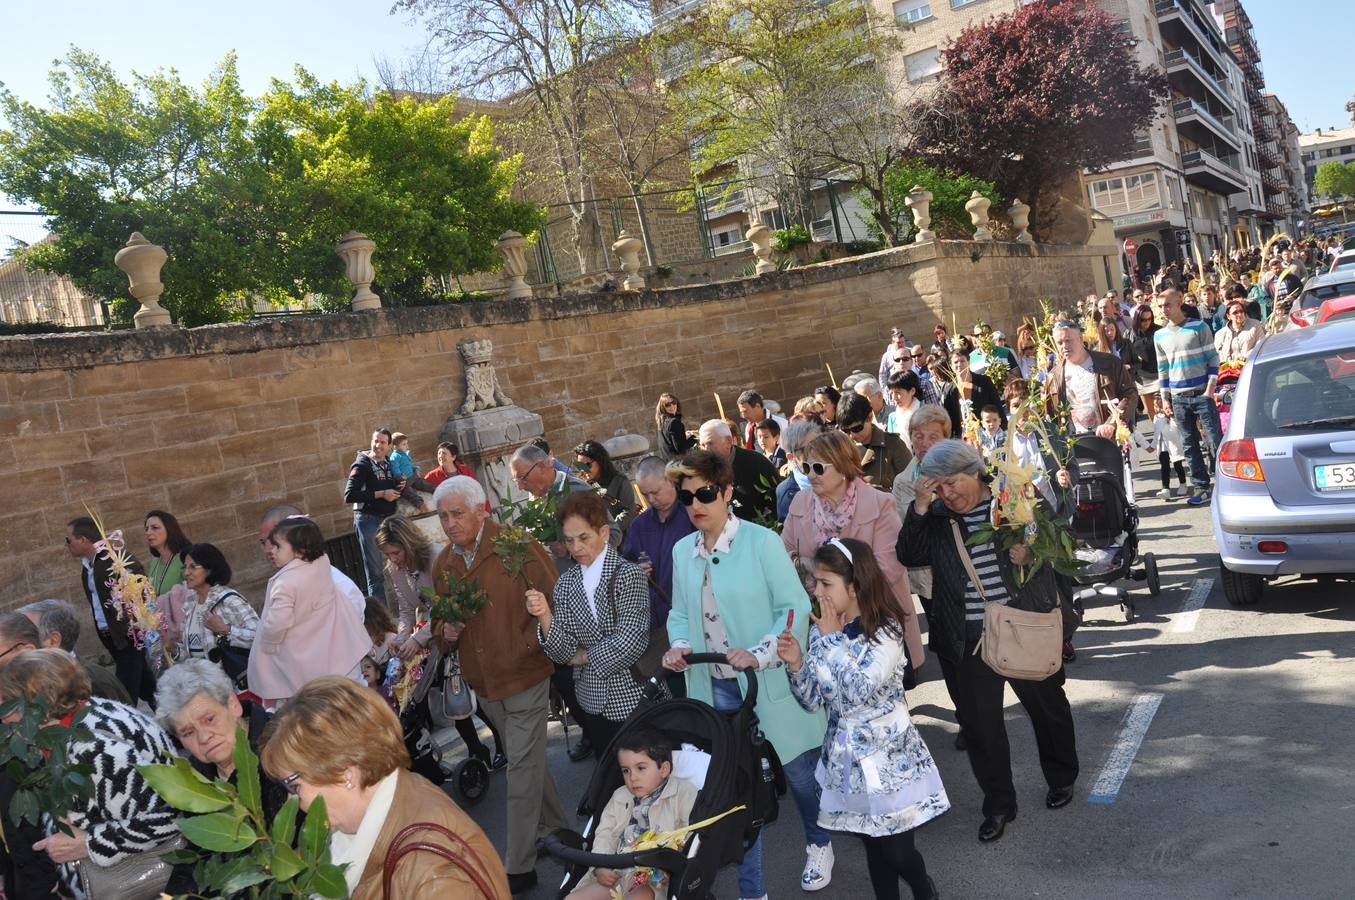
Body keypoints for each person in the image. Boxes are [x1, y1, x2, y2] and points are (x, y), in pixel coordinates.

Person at [661, 450, 834, 896]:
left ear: (727, 493)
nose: (696, 503)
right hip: (712, 689)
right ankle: (752, 887)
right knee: (735, 791)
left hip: (769, 684)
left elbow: (793, 607)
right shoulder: (683, 551)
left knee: (798, 774)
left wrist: (759, 654)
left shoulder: (760, 542)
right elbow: (680, 614)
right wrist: (680, 646)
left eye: (706, 493)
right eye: (687, 497)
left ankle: (820, 842)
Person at [896, 440, 1079, 843]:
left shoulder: (1013, 496)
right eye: (939, 487)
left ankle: (1062, 777)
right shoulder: (937, 516)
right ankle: (999, 804)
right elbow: (908, 554)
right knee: (981, 728)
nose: (949, 493)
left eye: (953, 483)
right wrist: (922, 506)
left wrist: (1031, 554)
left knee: (1046, 707)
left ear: (975, 470)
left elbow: (1058, 540)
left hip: (1022, 623)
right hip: (966, 638)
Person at [780, 539, 946, 900]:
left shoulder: (885, 630)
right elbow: (812, 701)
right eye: (815, 583)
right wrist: (795, 664)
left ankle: (924, 889)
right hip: (847, 763)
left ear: (853, 586)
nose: (816, 591)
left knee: (897, 850)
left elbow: (858, 690)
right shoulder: (823, 632)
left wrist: (830, 640)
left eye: (825, 584)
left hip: (890, 759)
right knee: (873, 844)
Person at [431, 476, 571, 893]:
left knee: (520, 769)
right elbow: (439, 623)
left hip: (526, 672)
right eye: (443, 516)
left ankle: (517, 865)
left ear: (480, 510)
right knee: (527, 763)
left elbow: (555, 597)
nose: (450, 523)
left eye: (457, 513)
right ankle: (562, 831)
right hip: (484, 684)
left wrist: (533, 640)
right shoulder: (444, 564)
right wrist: (446, 630)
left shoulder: (516, 545)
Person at [259, 677, 511, 899]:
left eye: (294, 786)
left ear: (345, 772)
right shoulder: (387, 802)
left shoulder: (432, 873)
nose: (295, 802)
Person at [0, 650, 180, 896]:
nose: (3, 717)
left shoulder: (91, 750)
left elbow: (173, 818)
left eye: (6, 704)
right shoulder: (93, 713)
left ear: (34, 705)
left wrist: (89, 844)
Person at [782, 430, 925, 671]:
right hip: (820, 623)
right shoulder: (800, 502)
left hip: (873, 622)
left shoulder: (879, 503)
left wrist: (831, 581)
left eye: (818, 468)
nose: (810, 474)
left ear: (843, 468)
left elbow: (888, 567)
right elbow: (784, 554)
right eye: (806, 467)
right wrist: (810, 570)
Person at [528, 490, 652, 754]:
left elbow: (630, 643)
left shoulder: (628, 575)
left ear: (604, 533)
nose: (576, 548)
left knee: (647, 779)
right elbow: (562, 653)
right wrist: (545, 617)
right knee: (611, 784)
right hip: (590, 701)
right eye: (570, 540)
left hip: (633, 696)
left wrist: (583, 657)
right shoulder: (567, 583)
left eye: (584, 538)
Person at [248, 516, 371, 706]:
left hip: (306, 666)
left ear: (299, 551)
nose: (271, 551)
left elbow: (277, 622)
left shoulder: (285, 583)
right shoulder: (321, 564)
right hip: (339, 657)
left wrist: (269, 641)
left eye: (277, 546)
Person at [565, 729, 699, 900]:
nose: (632, 777)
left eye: (641, 768)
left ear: (664, 769)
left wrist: (672, 867)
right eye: (626, 771)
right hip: (616, 870)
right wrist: (600, 866)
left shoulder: (683, 793)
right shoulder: (620, 796)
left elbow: (689, 835)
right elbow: (605, 833)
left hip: (654, 878)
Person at [154, 659, 284, 818]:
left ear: (233, 704)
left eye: (209, 719)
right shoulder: (192, 781)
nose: (203, 737)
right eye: (188, 733)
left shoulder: (286, 747)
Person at [621, 457, 696, 698]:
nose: (651, 500)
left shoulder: (693, 515)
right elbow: (625, 564)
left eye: (655, 492)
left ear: (671, 482)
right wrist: (635, 570)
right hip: (657, 626)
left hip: (692, 620)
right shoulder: (640, 525)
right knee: (673, 694)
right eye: (645, 494)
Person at [64, 516, 156, 708]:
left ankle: (127, 724)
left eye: (68, 540)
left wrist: (132, 624)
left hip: (128, 635)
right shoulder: (88, 565)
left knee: (123, 689)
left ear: (83, 540)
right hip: (110, 635)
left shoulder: (113, 559)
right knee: (144, 679)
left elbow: (141, 585)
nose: (67, 545)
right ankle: (163, 709)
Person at [1154, 288, 1223, 506]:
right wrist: (1165, 398)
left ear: (1179, 302)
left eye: (1167, 305)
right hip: (1178, 397)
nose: (1164, 310)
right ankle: (1201, 487)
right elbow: (1162, 369)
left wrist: (1210, 389)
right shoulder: (1160, 335)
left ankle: (1223, 483)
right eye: (1161, 306)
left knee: (1214, 440)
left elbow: (1213, 359)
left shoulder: (1199, 327)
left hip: (1202, 393)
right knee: (1189, 445)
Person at [160, 543, 258, 679]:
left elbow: (260, 638)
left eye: (193, 567)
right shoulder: (190, 604)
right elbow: (192, 655)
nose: (186, 573)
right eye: (185, 567)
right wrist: (172, 647)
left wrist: (226, 629)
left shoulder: (229, 600)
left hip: (233, 688)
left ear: (210, 569)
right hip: (205, 688)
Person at [509, 442, 607, 572]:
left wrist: (570, 550)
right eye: (516, 481)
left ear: (542, 467)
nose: (520, 487)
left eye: (523, 478)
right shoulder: (535, 497)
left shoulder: (578, 491)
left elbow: (613, 534)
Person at [257, 504, 365, 619]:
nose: (268, 550)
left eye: (273, 540)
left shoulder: (337, 583)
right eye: (263, 543)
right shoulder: (284, 583)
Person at [1043, 321, 1138, 439]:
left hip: (1110, 439)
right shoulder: (1053, 377)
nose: (1064, 346)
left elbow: (1130, 394)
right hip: (1076, 444)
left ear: (1080, 338)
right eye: (1060, 342)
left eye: (1068, 340)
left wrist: (1112, 422)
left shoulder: (1109, 363)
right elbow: (1050, 417)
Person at [344, 428, 404, 604]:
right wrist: (381, 493)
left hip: (389, 519)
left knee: (401, 563)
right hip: (368, 519)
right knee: (375, 572)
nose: (378, 445)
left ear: (389, 446)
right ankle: (383, 621)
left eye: (382, 442)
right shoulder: (361, 465)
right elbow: (349, 495)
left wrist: (400, 484)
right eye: (375, 441)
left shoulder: (390, 463)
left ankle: (409, 608)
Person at [375, 515, 444, 650]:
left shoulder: (436, 555)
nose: (392, 559)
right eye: (387, 555)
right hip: (430, 628)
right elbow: (407, 610)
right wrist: (400, 639)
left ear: (410, 544)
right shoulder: (394, 568)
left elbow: (448, 606)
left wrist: (418, 639)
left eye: (396, 553)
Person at [697, 419, 778, 523]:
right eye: (702, 445)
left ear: (729, 441)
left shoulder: (755, 462)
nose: (706, 450)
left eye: (710, 443)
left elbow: (775, 499)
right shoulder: (702, 470)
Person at [836, 393, 912, 490]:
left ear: (870, 417)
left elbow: (911, 484)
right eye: (846, 431)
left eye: (857, 428)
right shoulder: (842, 449)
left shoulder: (893, 444)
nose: (852, 435)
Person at [574, 439, 637, 538]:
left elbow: (628, 512)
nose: (583, 470)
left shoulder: (619, 481)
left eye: (587, 465)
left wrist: (608, 533)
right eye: (579, 466)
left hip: (622, 540)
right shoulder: (581, 486)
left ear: (600, 461)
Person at [947, 348, 1004, 436]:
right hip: (963, 437)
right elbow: (949, 417)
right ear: (951, 365)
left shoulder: (984, 382)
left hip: (987, 432)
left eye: (962, 361)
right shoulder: (949, 390)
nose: (959, 364)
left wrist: (1004, 430)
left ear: (968, 362)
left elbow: (997, 406)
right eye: (955, 362)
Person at [776, 418, 824, 522]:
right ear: (791, 457)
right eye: (807, 448)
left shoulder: (839, 473)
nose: (816, 451)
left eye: (818, 443)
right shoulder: (786, 492)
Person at [144, 510, 191, 597]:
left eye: (155, 527)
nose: (148, 532)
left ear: (170, 529)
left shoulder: (184, 558)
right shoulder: (154, 562)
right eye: (146, 529)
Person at [1149, 397, 1188, 500]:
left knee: (1177, 465)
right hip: (1162, 446)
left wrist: (1171, 417)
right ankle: (1166, 489)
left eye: (1157, 406)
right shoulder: (1157, 417)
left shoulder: (1172, 417)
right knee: (1164, 467)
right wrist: (1153, 446)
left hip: (1172, 445)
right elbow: (1156, 434)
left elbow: (1177, 429)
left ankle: (1183, 484)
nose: (1155, 408)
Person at [1129, 304, 1162, 420]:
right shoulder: (1131, 334)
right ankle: (1158, 435)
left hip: (1159, 374)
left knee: (1161, 409)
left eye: (1149, 319)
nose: (1147, 322)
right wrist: (1134, 358)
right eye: (1143, 320)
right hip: (1142, 377)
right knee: (1151, 412)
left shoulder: (1158, 331)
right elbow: (1126, 354)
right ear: (1137, 319)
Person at [885, 370, 922, 448]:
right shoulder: (892, 417)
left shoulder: (926, 413)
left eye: (898, 393)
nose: (894, 397)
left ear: (912, 391)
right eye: (892, 393)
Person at [655, 393, 696, 461]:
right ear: (663, 408)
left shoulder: (662, 422)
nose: (672, 406)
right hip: (678, 465)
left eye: (673, 402)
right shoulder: (674, 422)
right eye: (667, 405)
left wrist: (684, 435)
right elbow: (681, 448)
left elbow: (670, 442)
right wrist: (696, 437)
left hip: (669, 464)